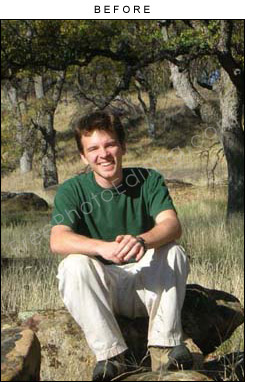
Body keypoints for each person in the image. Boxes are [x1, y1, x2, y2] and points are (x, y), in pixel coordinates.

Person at [50, 110, 193, 381]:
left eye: (110, 144)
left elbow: (172, 225)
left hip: (146, 283)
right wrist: (102, 248)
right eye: (93, 148)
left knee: (173, 252)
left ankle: (164, 349)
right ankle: (112, 358)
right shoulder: (72, 190)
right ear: (83, 157)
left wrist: (142, 240)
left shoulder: (148, 179)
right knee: (73, 265)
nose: (103, 154)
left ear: (123, 146)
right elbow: (58, 239)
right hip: (105, 289)